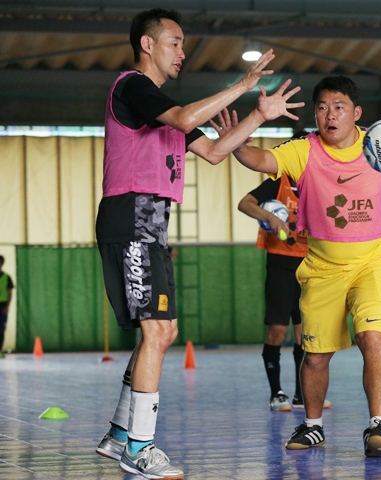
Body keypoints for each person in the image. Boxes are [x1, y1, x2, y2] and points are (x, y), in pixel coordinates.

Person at [94, 8, 303, 479]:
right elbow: (189, 115)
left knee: (162, 332)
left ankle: (119, 435)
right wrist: (244, 83)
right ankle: (140, 449)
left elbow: (213, 151)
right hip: (130, 217)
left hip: (152, 224)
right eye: (174, 42)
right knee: (156, 332)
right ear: (147, 45)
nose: (182, 51)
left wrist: (258, 114)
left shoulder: (165, 110)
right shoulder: (134, 87)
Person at [215, 75, 381, 457]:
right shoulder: (304, 150)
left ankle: (378, 426)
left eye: (339, 107)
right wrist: (239, 140)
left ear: (356, 113)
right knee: (314, 356)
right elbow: (260, 159)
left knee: (373, 338)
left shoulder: (375, 146)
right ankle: (313, 427)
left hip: (372, 261)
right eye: (323, 108)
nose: (330, 115)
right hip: (322, 267)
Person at [238, 135, 331, 412]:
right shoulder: (277, 183)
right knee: (278, 330)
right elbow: (245, 203)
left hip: (310, 264)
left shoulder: (317, 184)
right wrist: (268, 216)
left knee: (306, 334)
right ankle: (276, 392)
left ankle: (302, 393)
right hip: (280, 262)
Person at [0, 255, 14, 353]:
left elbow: (9, 292)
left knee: (1, 329)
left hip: (2, 305)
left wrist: (7, 306)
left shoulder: (7, 277)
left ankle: (0, 350)